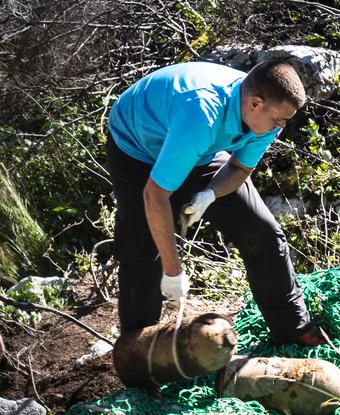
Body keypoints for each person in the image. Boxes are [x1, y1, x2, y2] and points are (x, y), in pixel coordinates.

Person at [106, 60, 326, 346]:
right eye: (278, 120)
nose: (282, 127)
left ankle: (294, 331)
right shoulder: (202, 115)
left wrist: (209, 194)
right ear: (256, 104)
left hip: (200, 150)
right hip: (137, 147)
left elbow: (239, 169)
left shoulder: (266, 118)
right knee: (142, 252)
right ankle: (139, 356)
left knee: (262, 232)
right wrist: (173, 273)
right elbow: (155, 195)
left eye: (285, 119)